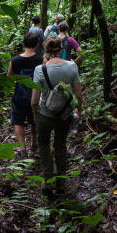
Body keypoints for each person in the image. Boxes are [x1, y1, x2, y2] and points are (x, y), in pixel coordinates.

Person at [31, 36, 83, 194]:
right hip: (64, 115)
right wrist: (78, 110)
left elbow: (34, 100)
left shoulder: (40, 69)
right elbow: (78, 95)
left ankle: (49, 179)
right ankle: (61, 181)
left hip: (44, 114)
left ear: (45, 51)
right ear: (61, 49)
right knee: (60, 144)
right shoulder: (72, 66)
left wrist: (35, 116)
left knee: (44, 143)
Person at [7, 33, 44, 159]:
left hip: (19, 96)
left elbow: (9, 76)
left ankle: (22, 149)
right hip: (36, 96)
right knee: (34, 121)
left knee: (18, 122)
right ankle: (34, 145)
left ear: (23, 44)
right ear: (37, 45)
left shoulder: (15, 60)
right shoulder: (41, 59)